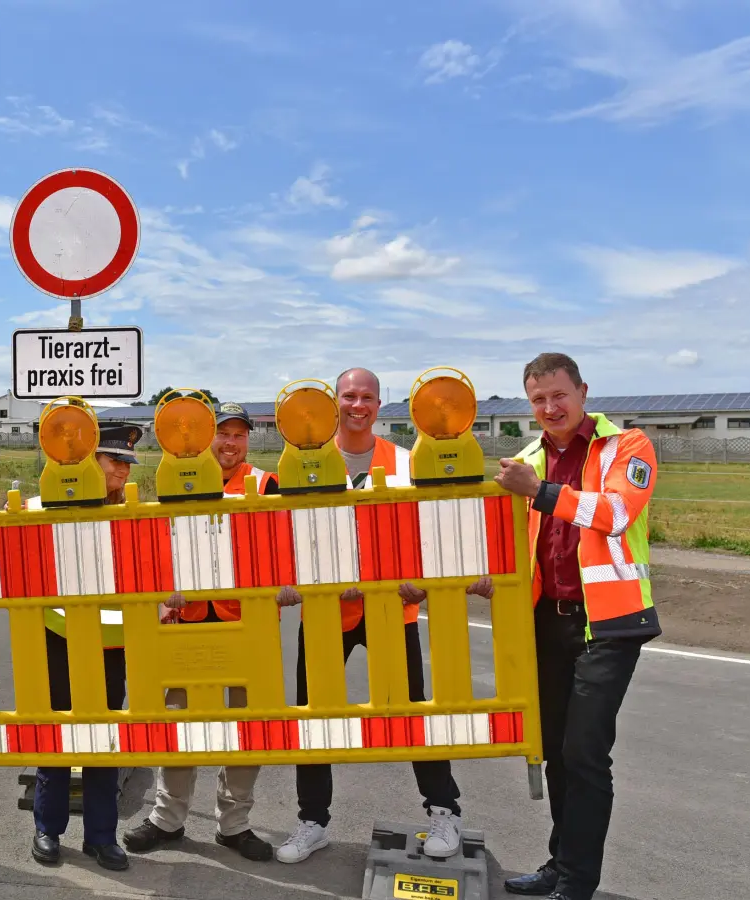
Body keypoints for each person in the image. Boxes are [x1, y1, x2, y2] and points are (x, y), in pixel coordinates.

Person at [275, 367, 485, 864]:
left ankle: (443, 810)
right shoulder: (304, 459)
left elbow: (428, 525)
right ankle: (312, 821)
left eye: (367, 396)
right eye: (348, 395)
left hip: (394, 606)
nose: (357, 405)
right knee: (315, 715)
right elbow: (286, 531)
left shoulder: (406, 461)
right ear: (333, 402)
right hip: (327, 611)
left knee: (413, 710)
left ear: (380, 404)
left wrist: (420, 577)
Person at [494, 353, 660, 900]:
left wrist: (538, 491)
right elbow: (515, 547)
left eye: (558, 395)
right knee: (559, 750)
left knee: (586, 753)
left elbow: (615, 513)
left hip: (609, 625)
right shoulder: (526, 458)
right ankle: (559, 866)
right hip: (548, 622)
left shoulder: (626, 446)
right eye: (538, 399)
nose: (549, 407)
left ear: (583, 392)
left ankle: (577, 884)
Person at [121, 402, 278, 862]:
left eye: (238, 435)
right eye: (222, 433)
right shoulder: (174, 479)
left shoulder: (265, 483)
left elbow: (280, 545)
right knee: (178, 723)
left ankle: (234, 824)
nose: (229, 443)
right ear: (204, 436)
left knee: (246, 726)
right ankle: (167, 819)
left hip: (244, 622)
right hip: (185, 623)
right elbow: (156, 546)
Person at [30, 420, 142, 872]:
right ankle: (47, 829)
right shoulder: (42, 506)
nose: (123, 472)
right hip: (56, 636)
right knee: (54, 733)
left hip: (111, 645)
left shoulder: (132, 513)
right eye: (115, 461)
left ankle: (102, 835)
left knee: (104, 740)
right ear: (89, 460)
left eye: (128, 464)